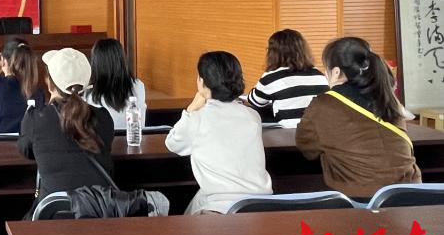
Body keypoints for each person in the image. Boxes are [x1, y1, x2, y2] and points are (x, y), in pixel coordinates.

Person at [296, 37, 420, 200]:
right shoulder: (387, 98)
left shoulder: (324, 104)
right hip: (411, 193)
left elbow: (307, 148)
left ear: (336, 72)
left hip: (363, 199)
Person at [165, 52, 273, 215]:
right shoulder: (252, 116)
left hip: (220, 209)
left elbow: (173, 143)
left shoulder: (198, 118)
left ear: (202, 82)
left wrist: (191, 109)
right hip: (261, 204)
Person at [18, 48, 115, 216]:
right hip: (99, 216)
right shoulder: (104, 117)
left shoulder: (36, 118)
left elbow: (26, 150)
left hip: (52, 216)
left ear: (50, 84)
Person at [247, 29, 329, 128]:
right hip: (319, 132)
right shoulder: (319, 75)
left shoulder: (272, 77)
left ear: (273, 53)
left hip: (289, 133)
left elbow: (254, 102)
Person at [86, 38, 147, 130]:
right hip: (134, 137)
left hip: (102, 139)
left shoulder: (89, 92)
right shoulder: (138, 86)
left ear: (95, 63)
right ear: (122, 59)